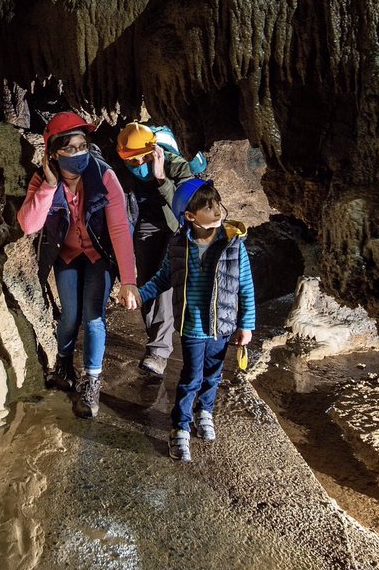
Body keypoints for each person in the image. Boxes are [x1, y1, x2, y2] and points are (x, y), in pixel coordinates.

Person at [17, 112, 138, 418]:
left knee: (93, 315)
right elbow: (29, 225)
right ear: (53, 153)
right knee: (70, 315)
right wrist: (48, 186)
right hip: (68, 255)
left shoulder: (104, 176)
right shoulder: (43, 180)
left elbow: (120, 229)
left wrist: (128, 279)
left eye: (82, 145)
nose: (78, 153)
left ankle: (92, 381)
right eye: (70, 148)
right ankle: (64, 364)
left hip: (99, 254)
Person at [123, 179, 254, 461]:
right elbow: (162, 278)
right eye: (208, 206)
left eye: (217, 204)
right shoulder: (178, 245)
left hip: (223, 324)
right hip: (192, 325)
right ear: (191, 216)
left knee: (214, 374)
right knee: (190, 377)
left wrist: (247, 324)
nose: (216, 210)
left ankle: (204, 411)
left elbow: (246, 286)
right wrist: (140, 294)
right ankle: (180, 427)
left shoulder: (234, 245)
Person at [115, 122, 195, 377]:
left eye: (139, 161)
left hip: (175, 226)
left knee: (164, 285)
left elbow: (186, 207)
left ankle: (159, 351)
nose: (135, 166)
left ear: (152, 152)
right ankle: (158, 342)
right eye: (130, 161)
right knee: (147, 281)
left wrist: (161, 178)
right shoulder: (123, 165)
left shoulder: (176, 165)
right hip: (145, 224)